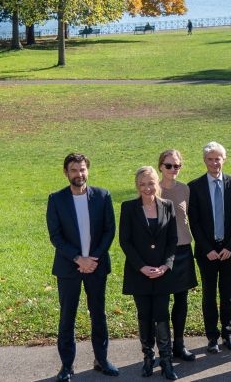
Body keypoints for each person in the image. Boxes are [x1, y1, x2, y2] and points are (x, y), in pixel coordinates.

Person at [46, 153, 119, 381]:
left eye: (82, 169)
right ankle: (67, 366)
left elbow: (109, 230)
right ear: (66, 172)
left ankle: (102, 359)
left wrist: (93, 258)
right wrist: (79, 258)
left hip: (96, 266)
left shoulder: (103, 196)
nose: (79, 174)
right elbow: (56, 236)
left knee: (98, 314)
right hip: (69, 268)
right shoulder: (56, 199)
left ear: (88, 170)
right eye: (74, 170)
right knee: (67, 317)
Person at [118, 166, 179, 380]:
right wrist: (141, 267)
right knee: (144, 316)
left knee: (162, 316)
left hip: (162, 273)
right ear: (137, 186)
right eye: (142, 184)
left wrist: (166, 265)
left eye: (151, 183)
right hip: (139, 273)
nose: (147, 188)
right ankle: (147, 358)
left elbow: (173, 240)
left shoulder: (168, 206)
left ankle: (166, 360)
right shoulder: (128, 208)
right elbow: (125, 241)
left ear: (157, 184)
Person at [187, 141, 231, 353]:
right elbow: (194, 221)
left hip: (229, 249)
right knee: (209, 294)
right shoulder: (195, 186)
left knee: (227, 294)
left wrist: (230, 245)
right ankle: (212, 336)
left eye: (217, 158)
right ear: (204, 161)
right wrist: (206, 247)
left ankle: (228, 333)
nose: (214, 163)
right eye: (210, 159)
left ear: (224, 159)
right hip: (206, 252)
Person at [158, 149, 198, 362]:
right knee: (162, 303)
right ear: (160, 167)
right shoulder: (153, 190)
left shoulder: (185, 189)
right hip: (162, 254)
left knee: (181, 301)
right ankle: (163, 348)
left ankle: (179, 345)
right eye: (168, 165)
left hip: (183, 250)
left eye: (177, 166)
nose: (173, 169)